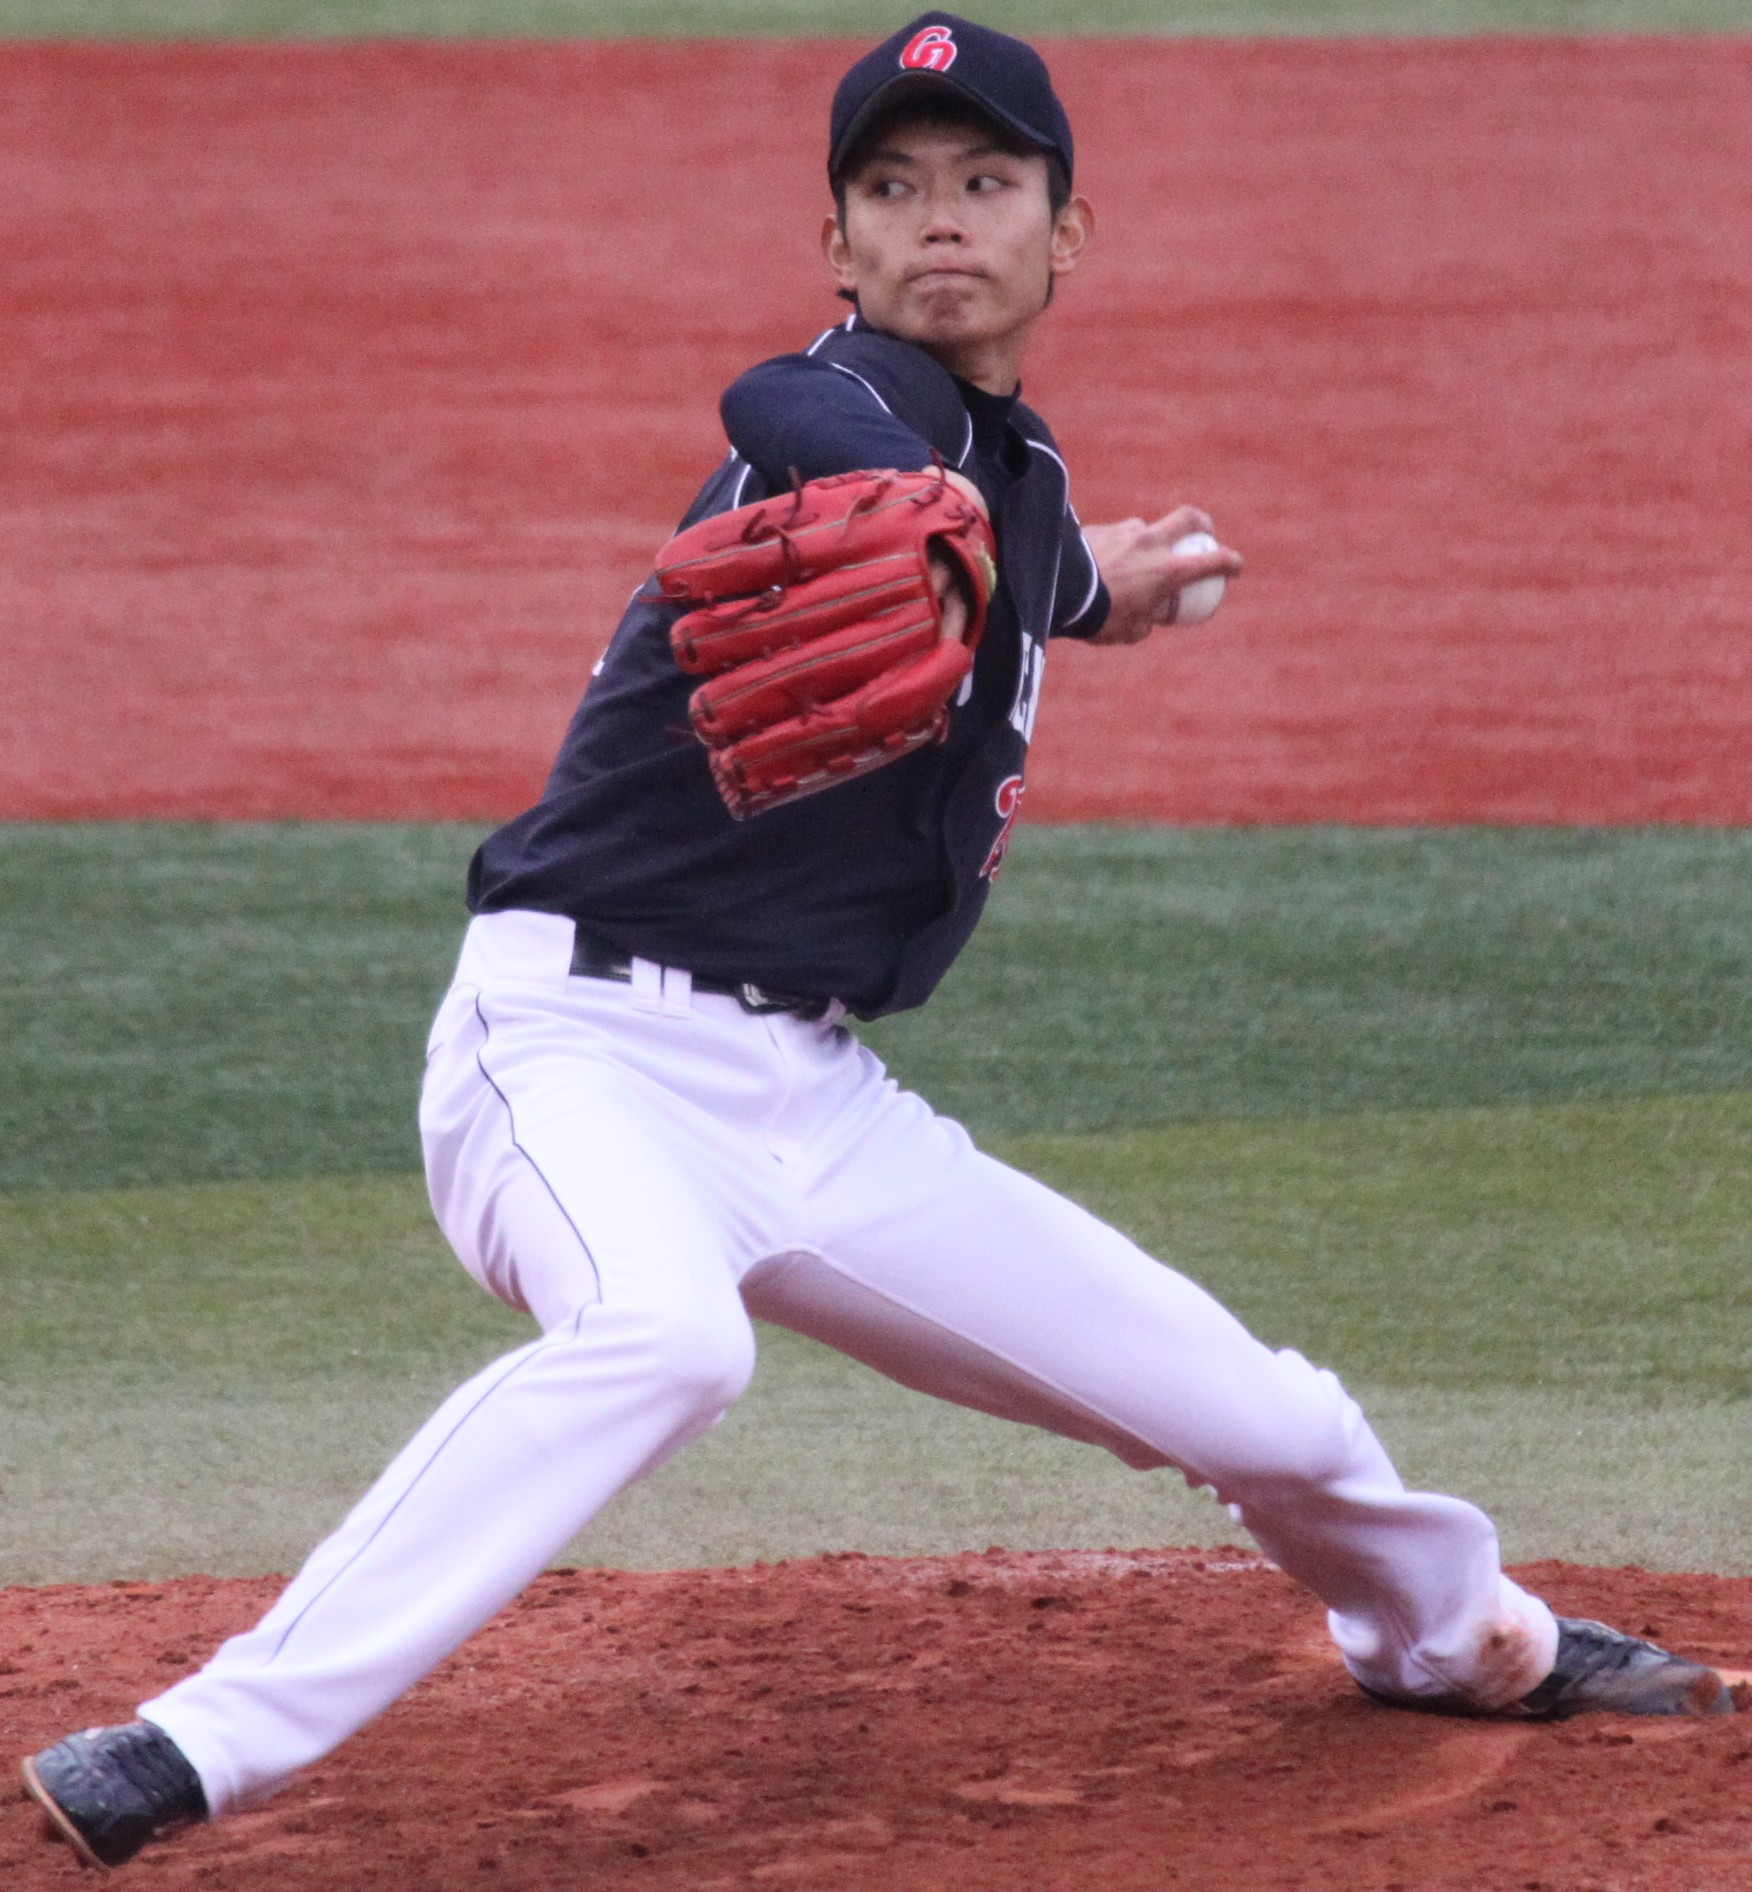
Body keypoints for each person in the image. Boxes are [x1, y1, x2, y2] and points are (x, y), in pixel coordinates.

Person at [20, 11, 1732, 1874]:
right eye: (891, 190)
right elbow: (788, 403)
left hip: (810, 1102)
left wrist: (1105, 593)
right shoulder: (858, 421)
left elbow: (1036, 548)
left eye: (987, 185)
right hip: (569, 1049)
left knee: (1272, 1415)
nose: (940, 222)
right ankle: (194, 1742)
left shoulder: (1017, 473)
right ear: (836, 243)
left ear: (1065, 234)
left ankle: (1455, 1640)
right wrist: (917, 500)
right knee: (671, 1341)